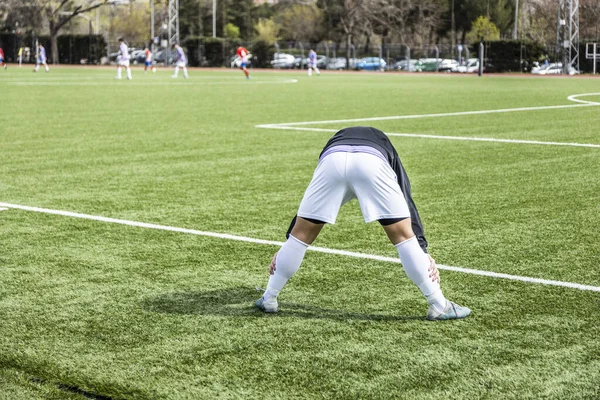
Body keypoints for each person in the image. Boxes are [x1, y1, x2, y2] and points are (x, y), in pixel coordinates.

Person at [256, 126, 472, 321]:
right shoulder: (384, 142)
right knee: (403, 237)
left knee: (301, 236)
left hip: (332, 161)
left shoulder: (331, 146)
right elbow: (406, 197)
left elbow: (305, 209)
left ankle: (269, 298)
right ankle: (439, 305)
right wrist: (421, 249)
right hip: (373, 161)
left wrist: (289, 240)